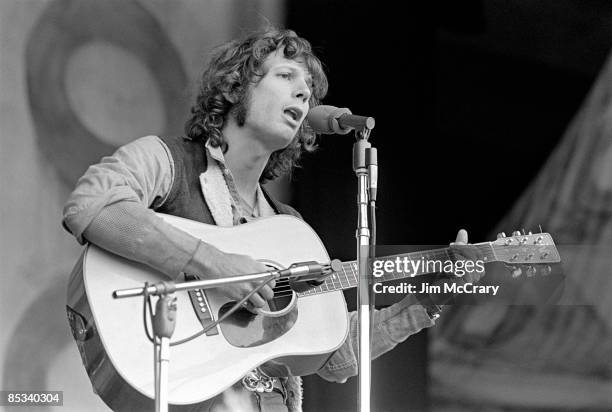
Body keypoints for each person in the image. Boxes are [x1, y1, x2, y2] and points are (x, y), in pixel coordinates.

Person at [63, 27, 479, 412]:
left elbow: (334, 355)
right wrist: (216, 265)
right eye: (286, 77)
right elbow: (91, 206)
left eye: (308, 92)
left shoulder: (288, 228)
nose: (303, 95)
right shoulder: (166, 161)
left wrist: (430, 300)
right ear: (236, 86)